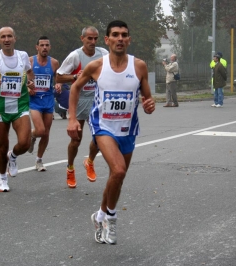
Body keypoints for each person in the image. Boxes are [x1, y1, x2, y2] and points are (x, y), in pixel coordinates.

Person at [67, 20, 155, 245]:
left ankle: (99, 216)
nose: (120, 38)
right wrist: (72, 118)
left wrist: (148, 104)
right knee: (118, 170)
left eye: (124, 35)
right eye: (115, 35)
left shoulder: (139, 66)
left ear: (129, 39)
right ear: (107, 40)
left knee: (118, 178)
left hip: (127, 128)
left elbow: (147, 97)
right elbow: (75, 87)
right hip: (102, 126)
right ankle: (111, 219)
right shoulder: (96, 66)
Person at [0, 26, 35, 192]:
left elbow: (29, 72)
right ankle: (3, 179)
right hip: (0, 107)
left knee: (25, 142)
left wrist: (30, 82)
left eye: (9, 36)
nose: (6, 39)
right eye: (3, 37)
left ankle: (14, 156)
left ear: (15, 38)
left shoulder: (23, 55)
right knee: (2, 147)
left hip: (20, 105)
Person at [56, 26, 109, 188]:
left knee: (101, 138)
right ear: (82, 39)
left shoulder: (104, 54)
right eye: (89, 39)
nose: (93, 42)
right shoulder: (75, 56)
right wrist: (74, 76)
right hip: (79, 100)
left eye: (95, 39)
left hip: (97, 100)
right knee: (76, 139)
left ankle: (90, 161)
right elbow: (58, 76)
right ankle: (70, 168)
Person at [27, 36, 61, 172]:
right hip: (35, 100)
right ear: (37, 47)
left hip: (48, 99)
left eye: (47, 45)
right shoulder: (29, 61)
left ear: (50, 47)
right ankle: (32, 135)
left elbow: (58, 79)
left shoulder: (54, 63)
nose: (45, 47)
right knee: (40, 130)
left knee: (46, 133)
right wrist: (28, 88)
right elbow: (23, 79)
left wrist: (59, 84)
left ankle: (39, 160)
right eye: (42, 45)